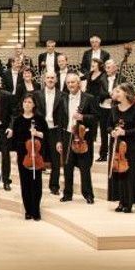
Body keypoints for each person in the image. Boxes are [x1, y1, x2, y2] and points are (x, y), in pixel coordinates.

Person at [58, 73, 97, 204]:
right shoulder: (63, 98)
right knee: (67, 167)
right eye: (68, 83)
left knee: (85, 168)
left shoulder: (89, 98)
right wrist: (59, 140)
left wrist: (83, 118)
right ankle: (67, 193)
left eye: (73, 82)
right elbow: (60, 121)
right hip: (67, 135)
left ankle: (88, 194)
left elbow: (96, 117)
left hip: (82, 137)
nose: (70, 85)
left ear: (79, 83)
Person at [107, 84, 135, 213]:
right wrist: (112, 131)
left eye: (118, 91)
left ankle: (129, 202)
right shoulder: (113, 109)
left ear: (126, 93)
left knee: (129, 174)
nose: (115, 93)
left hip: (130, 146)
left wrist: (125, 132)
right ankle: (121, 201)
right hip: (116, 146)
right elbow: (108, 126)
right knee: (118, 174)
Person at [12, 94, 48, 220]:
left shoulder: (39, 119)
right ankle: (28, 210)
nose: (27, 104)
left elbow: (46, 135)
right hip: (23, 154)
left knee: (36, 182)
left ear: (34, 105)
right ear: (22, 104)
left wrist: (36, 133)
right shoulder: (17, 120)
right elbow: (15, 139)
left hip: (36, 153)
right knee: (25, 183)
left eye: (29, 102)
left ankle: (36, 210)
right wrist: (15, 153)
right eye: (25, 102)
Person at [35, 72, 64, 196]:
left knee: (55, 160)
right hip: (41, 130)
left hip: (55, 130)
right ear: (44, 80)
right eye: (48, 78)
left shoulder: (63, 95)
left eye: (52, 78)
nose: (50, 80)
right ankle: (36, 186)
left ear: (56, 80)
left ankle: (54, 186)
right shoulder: (37, 94)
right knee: (37, 158)